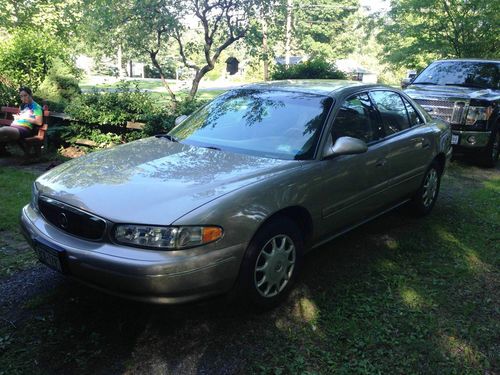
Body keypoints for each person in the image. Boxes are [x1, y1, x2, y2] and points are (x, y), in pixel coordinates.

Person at [0, 87, 43, 155]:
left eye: (25, 95)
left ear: (30, 95)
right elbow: (21, 117)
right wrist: (17, 118)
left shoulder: (36, 107)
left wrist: (24, 117)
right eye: (21, 96)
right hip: (15, 127)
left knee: (3, 130)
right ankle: (3, 151)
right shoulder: (23, 106)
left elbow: (39, 122)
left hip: (24, 129)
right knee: (2, 136)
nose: (23, 98)